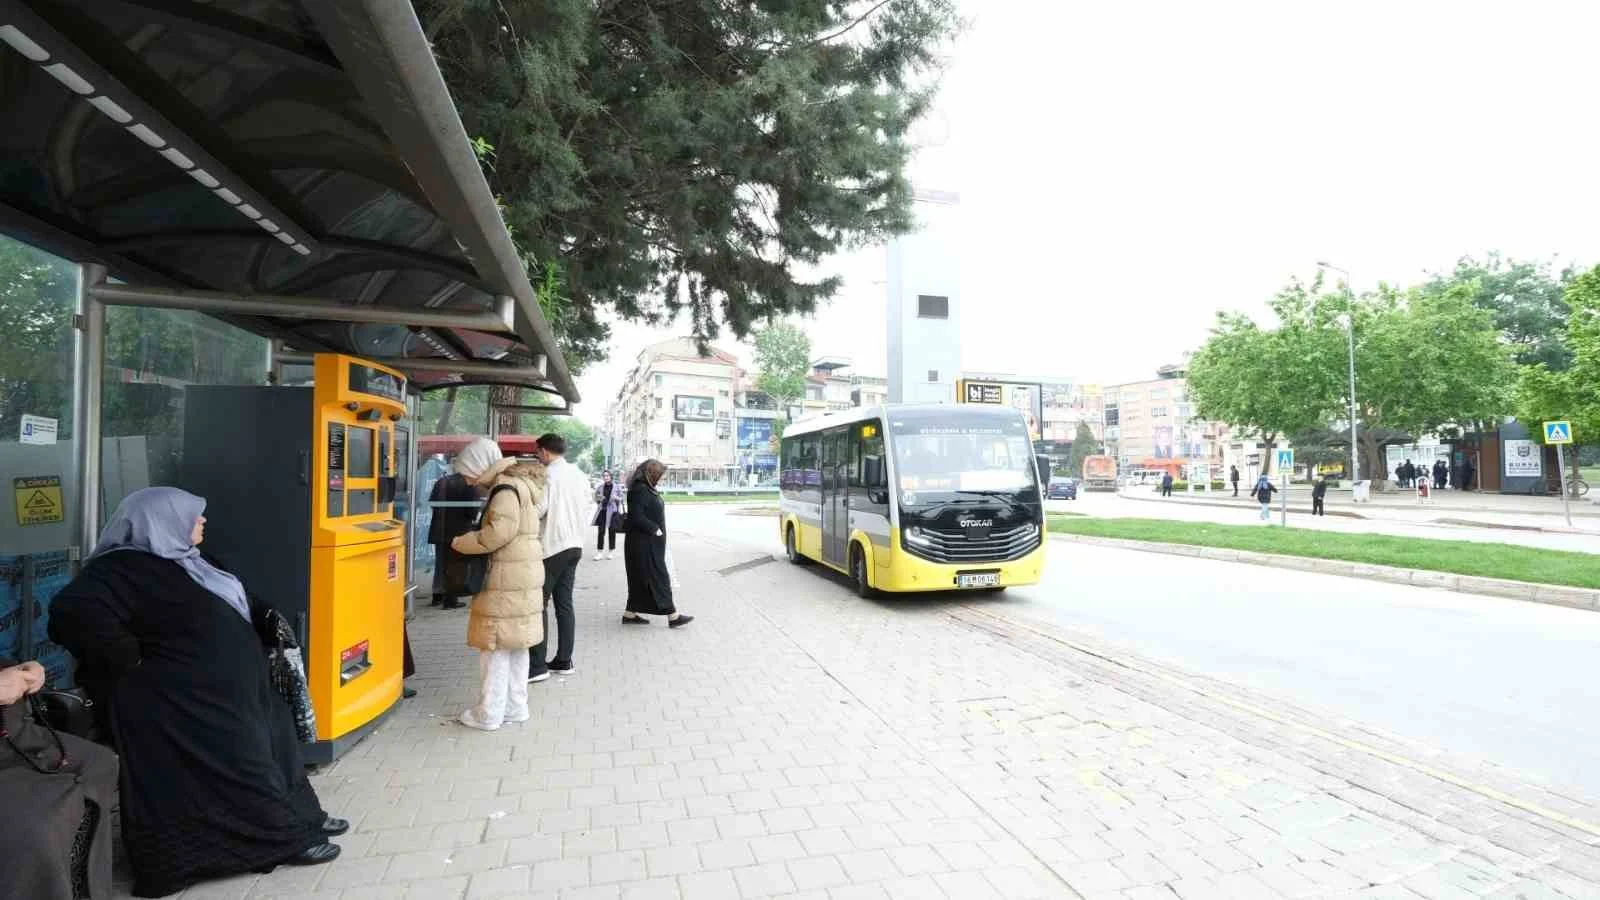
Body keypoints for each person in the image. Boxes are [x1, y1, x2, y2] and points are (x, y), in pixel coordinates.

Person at [48, 487, 344, 898]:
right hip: (178, 701)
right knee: (237, 766)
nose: (202, 522)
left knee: (273, 748)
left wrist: (264, 616)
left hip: (232, 690)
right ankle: (276, 841)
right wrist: (127, 657)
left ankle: (302, 819)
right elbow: (71, 613)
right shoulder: (119, 568)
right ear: (160, 521)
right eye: (194, 515)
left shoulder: (186, 559)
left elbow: (230, 595)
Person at [0, 657, 119, 900]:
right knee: (38, 822)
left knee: (99, 763)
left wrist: (25, 670)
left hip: (15, 734)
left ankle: (88, 890)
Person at [450, 439, 546, 731]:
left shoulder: (503, 488)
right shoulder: (518, 484)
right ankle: (516, 707)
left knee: (494, 646)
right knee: (516, 645)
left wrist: (462, 542)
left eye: (467, 472)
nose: (466, 479)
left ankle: (488, 713)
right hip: (521, 575)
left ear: (479, 466)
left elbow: (498, 533)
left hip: (506, 578)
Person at [528, 433, 591, 682]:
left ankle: (537, 666)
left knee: (537, 604)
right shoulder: (579, 474)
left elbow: (539, 509)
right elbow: (588, 505)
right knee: (564, 604)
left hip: (553, 546)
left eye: (537, 453)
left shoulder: (549, 476)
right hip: (575, 544)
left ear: (544, 451)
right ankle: (564, 660)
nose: (537, 457)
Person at [620, 460, 694, 628]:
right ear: (651, 473)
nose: (660, 479)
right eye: (659, 475)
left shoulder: (645, 488)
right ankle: (673, 616)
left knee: (640, 579)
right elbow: (636, 516)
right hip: (643, 544)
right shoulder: (640, 489)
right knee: (659, 577)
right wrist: (655, 529)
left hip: (647, 543)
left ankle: (630, 613)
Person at [428, 449, 482, 609]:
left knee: (440, 563)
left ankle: (437, 595)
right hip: (458, 532)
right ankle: (450, 599)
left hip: (440, 529)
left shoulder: (442, 481)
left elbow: (432, 502)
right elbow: (472, 511)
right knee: (455, 566)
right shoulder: (470, 485)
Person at [594, 470, 625, 560]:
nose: (605, 477)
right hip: (603, 512)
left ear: (611, 476)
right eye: (604, 476)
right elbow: (596, 497)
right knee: (601, 532)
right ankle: (599, 552)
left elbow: (622, 498)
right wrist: (599, 499)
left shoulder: (617, 487)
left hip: (612, 512)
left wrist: (616, 498)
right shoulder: (600, 487)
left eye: (607, 475)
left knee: (612, 532)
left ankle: (611, 552)